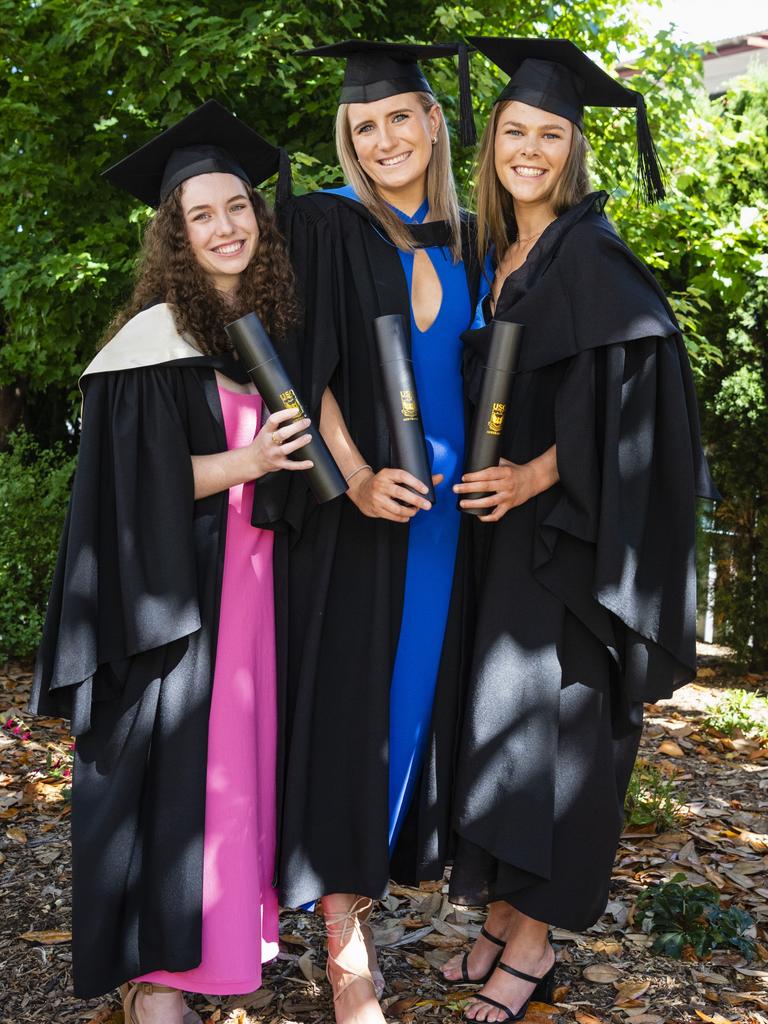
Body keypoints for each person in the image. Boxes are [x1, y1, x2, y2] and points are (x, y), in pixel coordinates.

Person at [438, 38, 718, 1024]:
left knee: (557, 734)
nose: (529, 149)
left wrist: (536, 472)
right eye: (515, 130)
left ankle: (533, 943)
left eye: (548, 135)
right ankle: (502, 907)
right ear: (492, 141)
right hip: (497, 539)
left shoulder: (592, 255)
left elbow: (637, 396)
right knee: (502, 730)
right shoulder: (494, 250)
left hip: (566, 538)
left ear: (573, 148)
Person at [29, 100, 312, 1024]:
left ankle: (219, 957)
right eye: (202, 214)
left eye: (238, 207)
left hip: (253, 590)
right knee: (180, 781)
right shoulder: (151, 342)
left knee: (237, 778)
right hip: (179, 603)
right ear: (176, 235)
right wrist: (254, 461)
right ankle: (157, 984)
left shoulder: (256, 331)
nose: (226, 226)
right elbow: (127, 487)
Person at [275, 39, 484, 1024]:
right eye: (365, 125)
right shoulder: (323, 222)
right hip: (359, 517)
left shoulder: (470, 237)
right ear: (347, 140)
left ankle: (365, 890)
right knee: (348, 711)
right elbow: (296, 363)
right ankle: (344, 945)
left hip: (447, 530)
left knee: (406, 715)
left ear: (436, 121)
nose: (385, 137)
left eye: (402, 115)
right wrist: (352, 476)